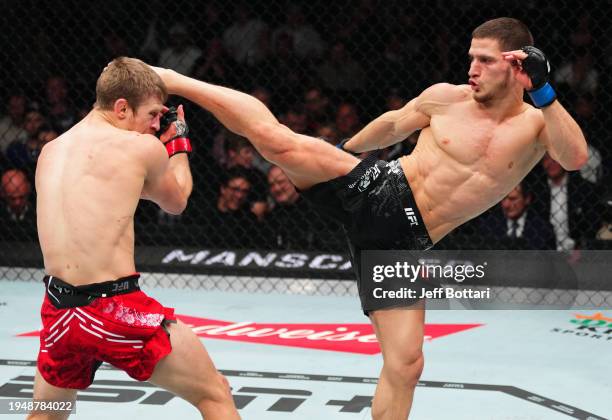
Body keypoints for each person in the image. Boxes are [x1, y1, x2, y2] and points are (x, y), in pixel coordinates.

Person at [151, 17, 587, 419]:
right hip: (379, 188)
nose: (471, 68)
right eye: (470, 57)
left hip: (403, 243)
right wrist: (343, 152)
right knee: (279, 142)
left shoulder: (537, 123)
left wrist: (544, 90)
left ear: (517, 65)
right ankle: (174, 80)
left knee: (407, 362)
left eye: (485, 60)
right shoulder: (446, 97)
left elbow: (574, 157)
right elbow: (395, 124)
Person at [29, 57, 239, 420]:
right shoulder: (142, 149)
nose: (157, 124)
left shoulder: (51, 151)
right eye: (154, 114)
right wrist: (177, 146)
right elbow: (177, 201)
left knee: (48, 413)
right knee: (215, 394)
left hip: (60, 310)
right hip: (114, 309)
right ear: (122, 107)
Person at [479, 181, 556, 250]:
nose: (506, 205)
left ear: (527, 199)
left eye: (513, 199)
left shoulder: (542, 229)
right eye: (503, 198)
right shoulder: (489, 226)